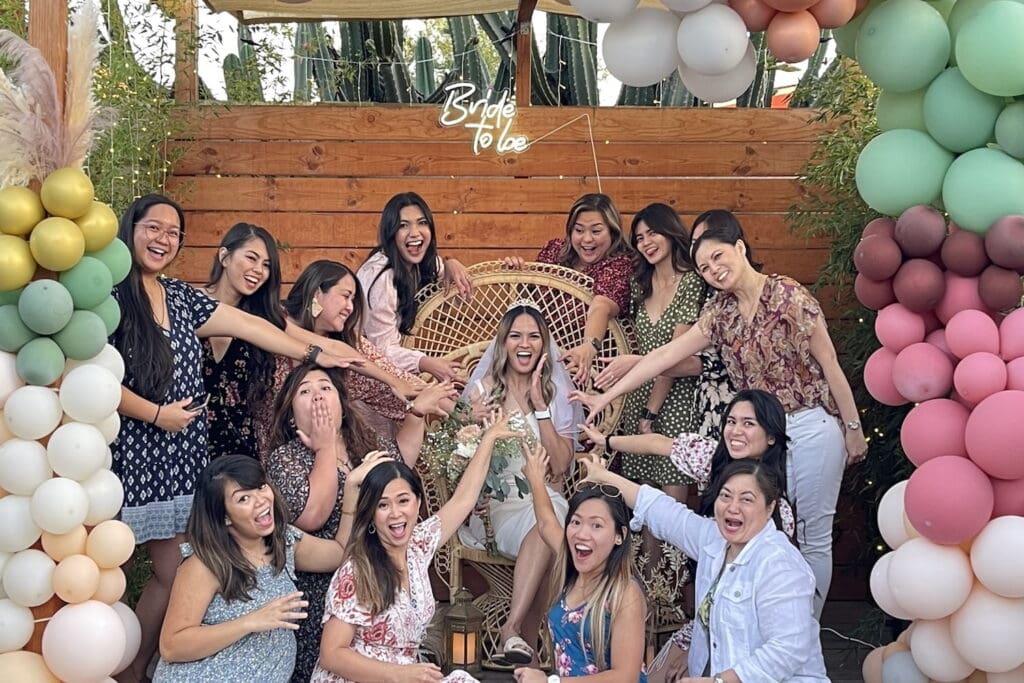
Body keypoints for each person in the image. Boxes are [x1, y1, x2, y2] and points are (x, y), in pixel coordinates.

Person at [576, 209, 868, 617]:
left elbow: (830, 364)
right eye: (703, 267)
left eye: (718, 258)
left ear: (740, 249)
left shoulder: (787, 294)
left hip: (811, 424)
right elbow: (663, 357)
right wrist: (607, 397)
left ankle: (803, 631)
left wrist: (853, 427)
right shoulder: (720, 313)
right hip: (762, 436)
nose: (713, 270)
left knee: (814, 537)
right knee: (772, 530)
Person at [110, 194, 351, 681]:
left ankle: (135, 669)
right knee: (113, 570)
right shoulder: (109, 295)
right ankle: (122, 663)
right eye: (153, 228)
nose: (163, 239)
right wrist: (156, 414)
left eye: (173, 232)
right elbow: (91, 378)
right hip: (133, 451)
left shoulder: (179, 297)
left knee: (171, 573)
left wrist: (317, 354)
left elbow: (255, 328)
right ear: (130, 228)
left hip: (184, 458)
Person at [264, 363, 453, 682]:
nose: (319, 397)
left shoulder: (365, 443)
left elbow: (399, 468)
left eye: (326, 388)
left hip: (378, 574)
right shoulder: (286, 459)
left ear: (342, 402)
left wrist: (416, 414)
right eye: (305, 391)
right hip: (325, 586)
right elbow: (313, 515)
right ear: (292, 415)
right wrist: (325, 448)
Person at [311, 410, 524, 683]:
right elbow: (331, 654)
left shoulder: (418, 545)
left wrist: (489, 439)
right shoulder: (356, 569)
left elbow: (463, 500)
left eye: (403, 501)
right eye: (383, 505)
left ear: (418, 504)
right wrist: (399, 674)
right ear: (372, 514)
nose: (395, 513)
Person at [584, 456, 829, 682]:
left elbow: (786, 649)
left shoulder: (780, 564)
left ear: (770, 508)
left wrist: (719, 681)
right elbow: (664, 512)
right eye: (725, 496)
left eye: (746, 499)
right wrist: (603, 476)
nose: (733, 507)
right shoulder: (714, 539)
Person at [152, 452, 387, 681]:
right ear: (224, 517)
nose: (261, 500)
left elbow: (338, 553)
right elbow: (172, 645)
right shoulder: (205, 564)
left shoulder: (283, 542)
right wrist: (249, 622)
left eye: (261, 487)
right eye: (243, 498)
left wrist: (352, 490)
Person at [463, 302, 581, 665]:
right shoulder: (483, 392)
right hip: (496, 511)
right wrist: (471, 422)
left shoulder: (553, 394)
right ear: (504, 343)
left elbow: (560, 465)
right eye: (516, 335)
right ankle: (543, 648)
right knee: (555, 524)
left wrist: (540, 407)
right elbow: (459, 456)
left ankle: (515, 636)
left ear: (543, 345)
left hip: (545, 502)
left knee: (552, 514)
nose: (524, 343)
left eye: (533, 336)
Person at [511, 442, 647, 683]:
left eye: (596, 525)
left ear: (620, 536)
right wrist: (535, 479)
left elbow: (625, 677)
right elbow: (545, 522)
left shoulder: (625, 593)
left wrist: (550, 682)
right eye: (576, 522)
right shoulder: (570, 562)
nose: (582, 533)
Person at [283, 259, 456, 435]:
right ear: (317, 293)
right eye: (345, 296)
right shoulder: (275, 321)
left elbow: (402, 381)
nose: (350, 307)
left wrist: (462, 413)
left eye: (353, 300)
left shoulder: (351, 344)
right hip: (271, 450)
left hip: (326, 449)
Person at [504, 193, 636, 384]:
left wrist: (589, 347)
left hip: (589, 374)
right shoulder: (554, 251)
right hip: (539, 362)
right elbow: (530, 300)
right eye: (579, 230)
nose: (587, 239)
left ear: (612, 232)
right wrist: (517, 275)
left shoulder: (619, 265)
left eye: (596, 231)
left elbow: (601, 306)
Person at [357, 191, 473, 382]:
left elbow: (459, 296)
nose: (415, 233)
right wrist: (425, 363)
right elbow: (381, 352)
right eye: (403, 225)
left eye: (422, 223)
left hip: (389, 367)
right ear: (391, 233)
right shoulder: (381, 277)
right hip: (362, 369)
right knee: (440, 398)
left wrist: (450, 262)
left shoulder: (420, 262)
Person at [201, 222, 291, 459]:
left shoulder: (263, 317)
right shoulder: (190, 304)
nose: (259, 270)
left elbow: (308, 342)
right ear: (224, 256)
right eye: (251, 258)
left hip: (239, 449)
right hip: (185, 442)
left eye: (266, 265)